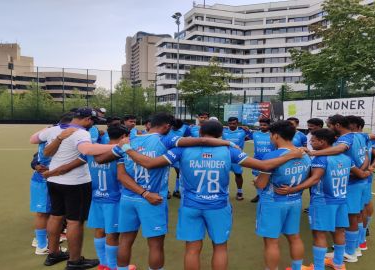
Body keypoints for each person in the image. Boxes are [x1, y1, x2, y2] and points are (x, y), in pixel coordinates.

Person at [119, 120, 304, 270]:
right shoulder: (228, 150)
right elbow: (264, 166)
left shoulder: (181, 150)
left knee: (192, 249)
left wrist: (128, 149)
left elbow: (151, 163)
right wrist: (291, 155)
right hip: (218, 206)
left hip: (191, 206)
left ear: (200, 134)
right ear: (220, 135)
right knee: (220, 247)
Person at [103, 113, 238, 270]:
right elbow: (200, 140)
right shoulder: (165, 140)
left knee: (125, 240)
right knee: (155, 245)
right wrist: (227, 142)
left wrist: (120, 147)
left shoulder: (129, 141)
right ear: (166, 126)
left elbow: (106, 163)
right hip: (152, 199)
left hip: (128, 198)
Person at [30, 108, 121, 269]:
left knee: (56, 216)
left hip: (54, 181)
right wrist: (116, 146)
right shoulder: (81, 133)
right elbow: (87, 150)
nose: (92, 124)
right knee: (74, 222)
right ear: (87, 119)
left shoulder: (53, 129)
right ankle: (75, 260)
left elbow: (33, 139)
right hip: (75, 183)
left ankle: (54, 253)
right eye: (92, 121)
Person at [278, 129, 370, 270]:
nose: (310, 143)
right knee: (339, 231)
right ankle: (338, 264)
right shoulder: (346, 158)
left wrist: (292, 189)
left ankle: (318, 267)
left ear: (322, 142)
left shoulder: (320, 159)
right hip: (341, 200)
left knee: (319, 234)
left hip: (323, 202)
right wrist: (367, 170)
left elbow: (314, 179)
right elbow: (360, 173)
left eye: (313, 140)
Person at [306, 115, 370, 263]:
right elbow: (366, 154)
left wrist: (313, 153)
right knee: (353, 216)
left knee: (351, 217)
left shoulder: (344, 140)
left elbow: (339, 148)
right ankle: (354, 248)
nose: (328, 128)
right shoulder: (361, 136)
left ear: (338, 125)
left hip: (350, 184)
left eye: (329, 125)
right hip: (360, 180)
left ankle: (350, 252)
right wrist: (364, 170)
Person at [254, 120, 312, 270]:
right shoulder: (304, 154)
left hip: (273, 202)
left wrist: (256, 180)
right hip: (295, 201)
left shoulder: (272, 156)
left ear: (276, 136)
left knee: (271, 242)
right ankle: (297, 268)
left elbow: (261, 184)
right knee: (294, 237)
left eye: (270, 135)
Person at [29, 113, 76, 255]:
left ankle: (42, 241)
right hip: (46, 179)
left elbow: (36, 151)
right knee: (44, 214)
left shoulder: (47, 132)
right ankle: (42, 246)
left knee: (47, 213)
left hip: (42, 178)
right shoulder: (59, 136)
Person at [85, 124, 129, 270]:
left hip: (96, 197)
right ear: (123, 137)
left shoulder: (94, 151)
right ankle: (112, 266)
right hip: (114, 199)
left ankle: (103, 263)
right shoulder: (120, 153)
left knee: (99, 230)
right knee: (113, 234)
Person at [346, 116, 375, 250]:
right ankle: (360, 240)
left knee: (360, 209)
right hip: (361, 177)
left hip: (359, 178)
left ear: (355, 125)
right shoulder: (363, 137)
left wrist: (371, 167)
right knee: (361, 208)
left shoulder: (363, 138)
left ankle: (358, 240)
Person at [222, 117, 252, 200]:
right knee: (223, 174)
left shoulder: (242, 131)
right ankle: (223, 192)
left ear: (237, 123)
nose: (232, 125)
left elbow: (251, 137)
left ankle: (239, 191)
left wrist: (248, 130)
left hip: (238, 157)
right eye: (230, 123)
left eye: (234, 123)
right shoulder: (223, 131)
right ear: (228, 123)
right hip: (225, 156)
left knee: (238, 174)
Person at [250, 118, 274, 203]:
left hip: (270, 161)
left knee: (270, 179)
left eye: (265, 125)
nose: (262, 127)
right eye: (261, 125)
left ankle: (268, 195)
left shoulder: (273, 135)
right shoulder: (255, 134)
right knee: (257, 179)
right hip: (257, 161)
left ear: (269, 125)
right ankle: (259, 195)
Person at [168, 118, 192, 199]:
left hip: (178, 153)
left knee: (179, 172)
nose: (174, 129)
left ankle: (176, 190)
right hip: (166, 152)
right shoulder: (167, 127)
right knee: (165, 173)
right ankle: (166, 191)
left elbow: (188, 139)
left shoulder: (185, 128)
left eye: (176, 128)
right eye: (173, 127)